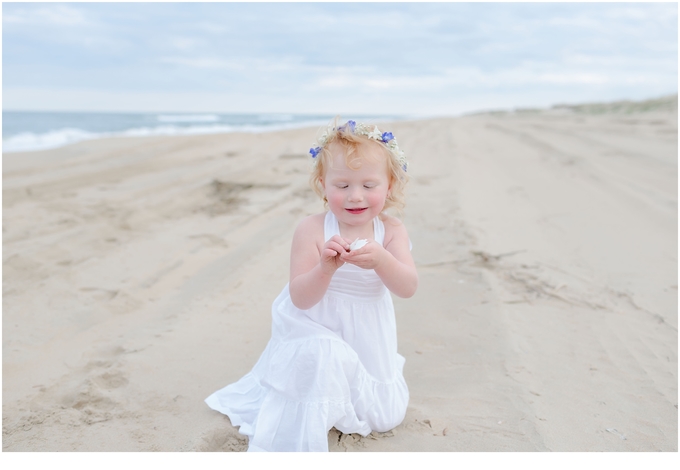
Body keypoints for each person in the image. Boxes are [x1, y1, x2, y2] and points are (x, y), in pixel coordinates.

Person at [205, 119, 418, 452]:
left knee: (383, 417)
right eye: (342, 185)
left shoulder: (391, 231)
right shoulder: (312, 229)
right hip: (313, 326)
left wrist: (382, 261)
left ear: (389, 185)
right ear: (323, 184)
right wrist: (324, 269)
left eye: (369, 185)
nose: (355, 195)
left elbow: (407, 287)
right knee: (324, 353)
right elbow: (301, 299)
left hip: (367, 335)